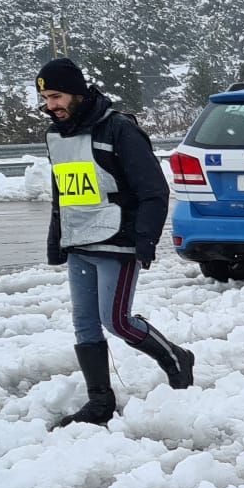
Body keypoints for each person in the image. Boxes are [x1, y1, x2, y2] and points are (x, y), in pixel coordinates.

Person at [37, 56, 194, 426]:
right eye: (45, 100)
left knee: (117, 321)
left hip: (116, 240)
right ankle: (99, 402)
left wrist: (145, 241)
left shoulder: (119, 129)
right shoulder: (56, 135)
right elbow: (63, 193)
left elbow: (154, 189)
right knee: (84, 324)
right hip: (79, 241)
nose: (51, 106)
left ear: (76, 92)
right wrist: (57, 241)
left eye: (57, 97)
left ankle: (175, 358)